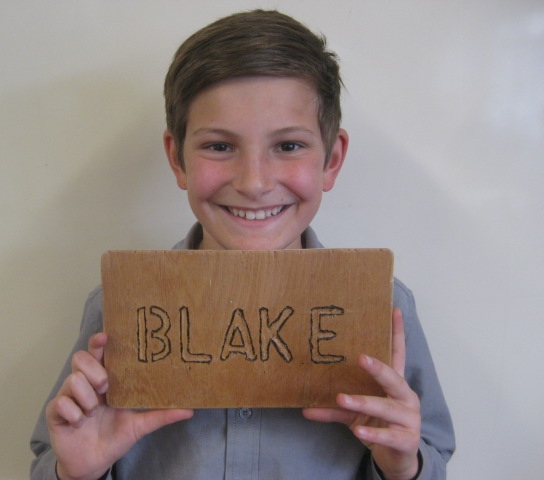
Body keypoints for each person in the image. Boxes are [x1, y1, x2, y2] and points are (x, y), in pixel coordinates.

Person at [30, 9, 455, 480]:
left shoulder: (383, 306)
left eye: (288, 146)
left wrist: (402, 465)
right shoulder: (120, 304)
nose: (254, 183)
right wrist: (77, 472)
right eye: (220, 146)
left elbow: (431, 451)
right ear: (177, 159)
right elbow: (55, 452)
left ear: (331, 161)